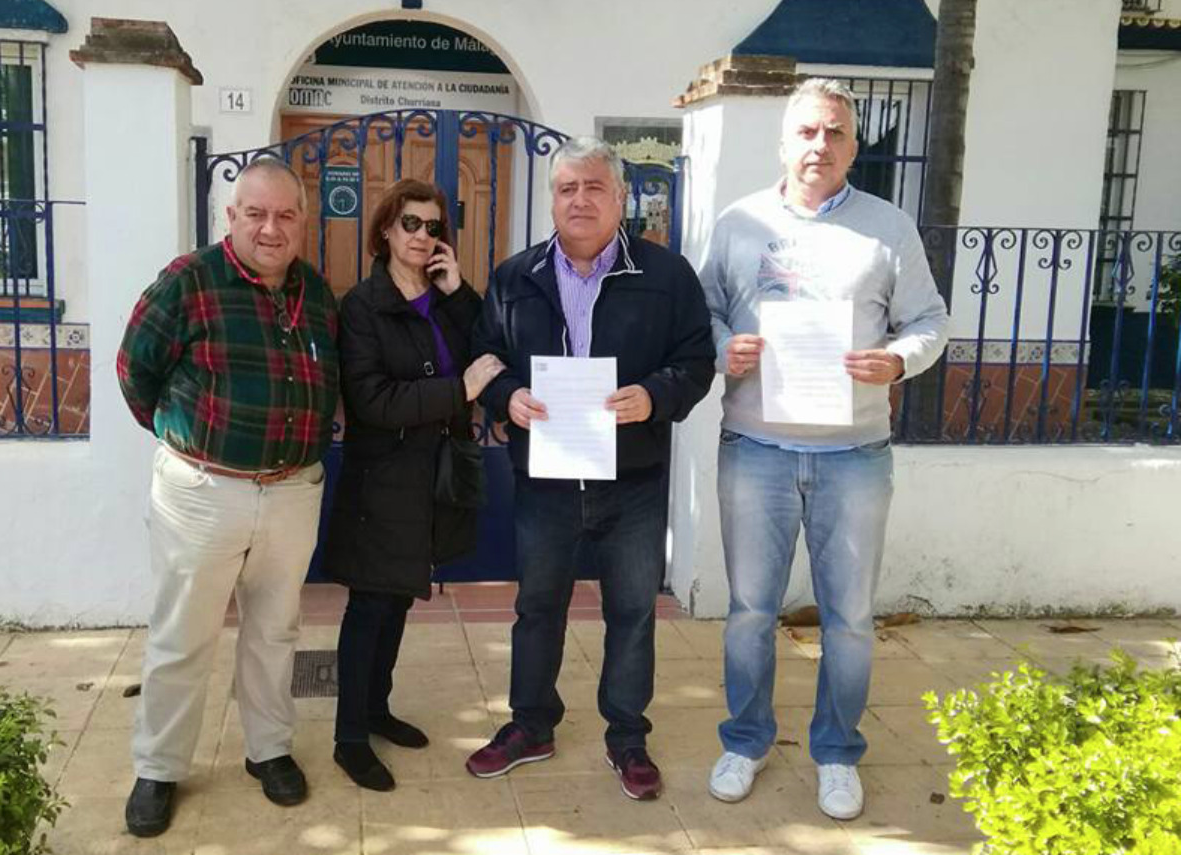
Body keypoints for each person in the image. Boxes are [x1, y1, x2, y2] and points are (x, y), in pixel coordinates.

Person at [698, 78, 949, 819]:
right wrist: (723, 346)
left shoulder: (888, 227)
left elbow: (930, 321)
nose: (820, 145)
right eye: (807, 131)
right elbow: (704, 309)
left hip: (855, 457)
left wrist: (896, 360)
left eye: (835, 132)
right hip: (755, 448)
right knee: (750, 610)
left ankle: (837, 753)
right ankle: (746, 740)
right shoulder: (741, 223)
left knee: (850, 618)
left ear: (853, 145)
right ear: (784, 142)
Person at [466, 137, 715, 801]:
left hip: (632, 482)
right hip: (545, 481)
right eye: (567, 188)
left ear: (620, 197)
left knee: (631, 610)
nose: (579, 199)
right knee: (536, 607)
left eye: (594, 186)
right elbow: (485, 358)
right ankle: (531, 724)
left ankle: (627, 735)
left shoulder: (667, 275)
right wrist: (506, 397)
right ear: (553, 199)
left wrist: (655, 395)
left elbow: (696, 361)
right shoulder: (515, 277)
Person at [116, 158, 338, 836]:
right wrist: (186, 439)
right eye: (256, 214)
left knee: (276, 630)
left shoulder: (316, 292)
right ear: (231, 217)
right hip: (204, 492)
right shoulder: (189, 281)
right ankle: (159, 766)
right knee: (184, 634)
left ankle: (268, 749)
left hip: (293, 490)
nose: (271, 228)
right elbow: (135, 370)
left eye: (285, 215)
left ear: (303, 221)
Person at [324, 179, 504, 791]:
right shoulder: (362, 306)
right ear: (385, 230)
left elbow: (488, 348)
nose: (422, 236)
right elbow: (373, 401)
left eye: (433, 227)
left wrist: (460, 293)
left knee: (400, 597)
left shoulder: (442, 300)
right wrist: (459, 391)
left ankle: (376, 709)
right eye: (410, 224)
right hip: (383, 480)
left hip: (432, 475)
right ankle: (349, 739)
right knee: (371, 604)